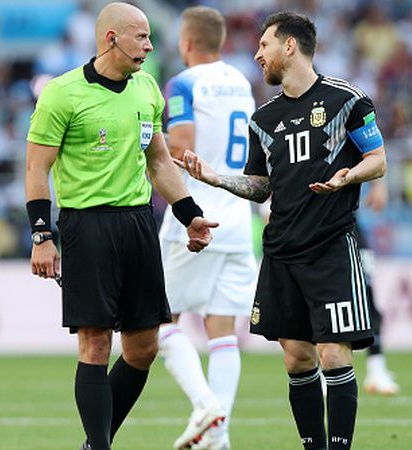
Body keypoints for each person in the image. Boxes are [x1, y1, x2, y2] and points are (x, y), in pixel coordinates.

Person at [180, 12, 387, 450]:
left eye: (264, 46)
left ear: (289, 47)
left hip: (331, 245)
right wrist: (218, 179)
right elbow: (260, 187)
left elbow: (379, 159)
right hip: (280, 251)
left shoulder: (346, 100)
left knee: (334, 353)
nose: (257, 54)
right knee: (297, 358)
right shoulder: (264, 118)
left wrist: (348, 177)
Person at [24, 3, 218, 450]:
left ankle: (94, 444)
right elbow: (37, 168)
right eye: (141, 37)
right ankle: (101, 446)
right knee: (95, 344)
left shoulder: (148, 89)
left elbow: (159, 162)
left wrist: (189, 215)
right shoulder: (61, 93)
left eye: (150, 37)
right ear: (110, 38)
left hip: (136, 224)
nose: (150, 46)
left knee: (143, 348)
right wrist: (41, 236)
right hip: (86, 225)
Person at [156, 6, 257, 450]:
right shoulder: (242, 83)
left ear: (187, 42)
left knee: (157, 321)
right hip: (237, 220)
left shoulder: (183, 82)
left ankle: (204, 406)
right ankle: (220, 438)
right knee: (222, 331)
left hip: (193, 219)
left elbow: (180, 147)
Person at [359, 180, 400, 396]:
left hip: (348, 224)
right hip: (307, 229)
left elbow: (371, 150)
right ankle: (321, 376)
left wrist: (379, 185)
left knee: (367, 298)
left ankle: (377, 369)